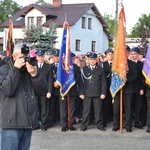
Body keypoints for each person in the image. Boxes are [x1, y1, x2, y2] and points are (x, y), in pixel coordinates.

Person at [0, 43, 48, 150]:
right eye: (22, 57)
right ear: (14, 56)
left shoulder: (28, 70)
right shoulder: (4, 69)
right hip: (11, 124)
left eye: (27, 57)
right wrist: (16, 69)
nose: (25, 60)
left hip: (28, 123)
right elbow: (8, 90)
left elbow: (42, 91)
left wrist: (35, 75)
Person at [80, 52, 107, 131]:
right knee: (86, 111)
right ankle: (84, 125)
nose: (92, 61)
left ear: (96, 60)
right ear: (88, 60)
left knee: (98, 111)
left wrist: (103, 93)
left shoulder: (100, 69)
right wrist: (81, 93)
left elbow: (104, 82)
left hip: (97, 93)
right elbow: (81, 82)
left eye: (94, 59)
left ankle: (99, 125)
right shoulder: (84, 69)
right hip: (87, 93)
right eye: (91, 59)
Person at [112, 46, 137, 132]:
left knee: (128, 109)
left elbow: (135, 76)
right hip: (117, 89)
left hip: (128, 89)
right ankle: (116, 125)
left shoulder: (133, 64)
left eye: (126, 52)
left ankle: (128, 125)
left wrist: (125, 80)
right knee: (116, 108)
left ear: (128, 53)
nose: (124, 54)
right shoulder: (116, 64)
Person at [35, 50, 53, 130]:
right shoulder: (33, 66)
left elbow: (50, 80)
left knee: (44, 108)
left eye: (42, 57)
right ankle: (36, 123)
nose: (41, 58)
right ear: (36, 58)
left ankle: (43, 124)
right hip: (35, 91)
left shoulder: (48, 67)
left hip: (44, 91)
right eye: (39, 57)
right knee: (36, 107)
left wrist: (49, 91)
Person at [130, 47, 144, 129]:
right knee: (129, 107)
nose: (133, 55)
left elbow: (142, 78)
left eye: (135, 54)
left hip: (138, 88)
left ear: (138, 55)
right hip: (129, 88)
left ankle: (137, 122)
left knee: (137, 106)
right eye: (132, 54)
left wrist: (142, 88)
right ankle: (128, 122)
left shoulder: (141, 64)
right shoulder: (127, 64)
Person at [102, 48, 114, 127]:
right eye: (109, 54)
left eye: (111, 54)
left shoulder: (116, 63)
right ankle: (105, 120)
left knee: (114, 105)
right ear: (106, 56)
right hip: (106, 86)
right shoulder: (103, 64)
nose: (110, 56)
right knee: (105, 105)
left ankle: (114, 120)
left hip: (114, 87)